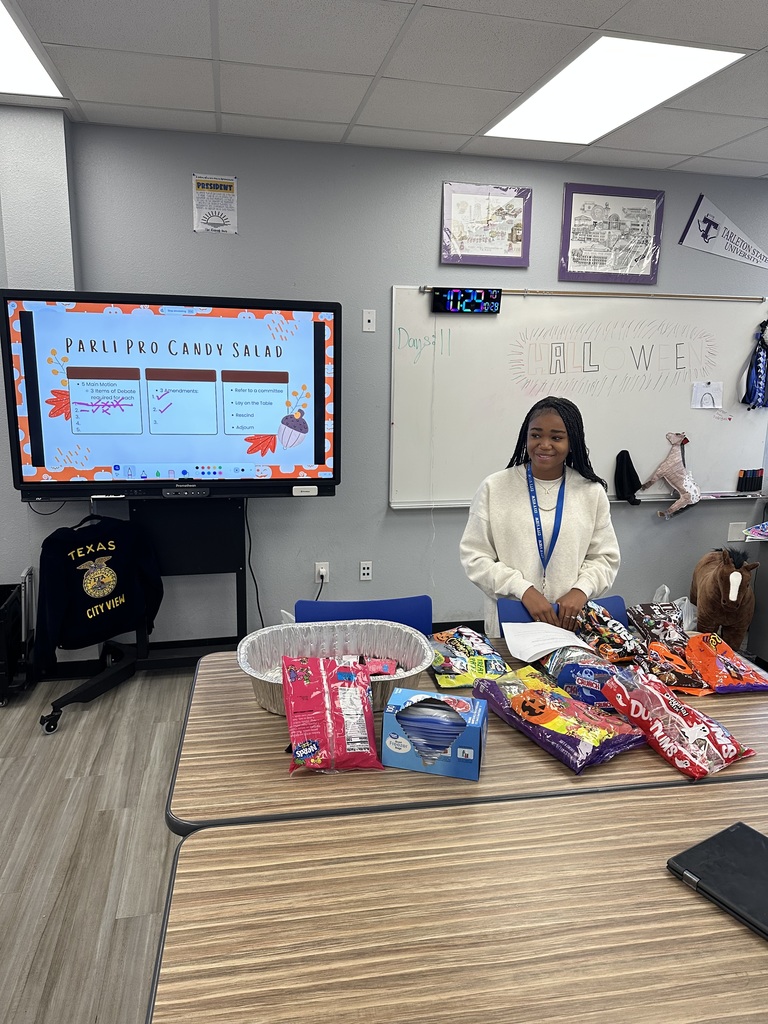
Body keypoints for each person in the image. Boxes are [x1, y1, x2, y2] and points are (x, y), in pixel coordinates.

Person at [460, 396, 620, 637]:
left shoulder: (591, 492)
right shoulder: (495, 487)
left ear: (572, 442)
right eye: (536, 435)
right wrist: (522, 589)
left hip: (569, 623)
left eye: (556, 438)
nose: (544, 445)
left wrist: (581, 590)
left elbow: (605, 558)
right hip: (511, 621)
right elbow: (475, 556)